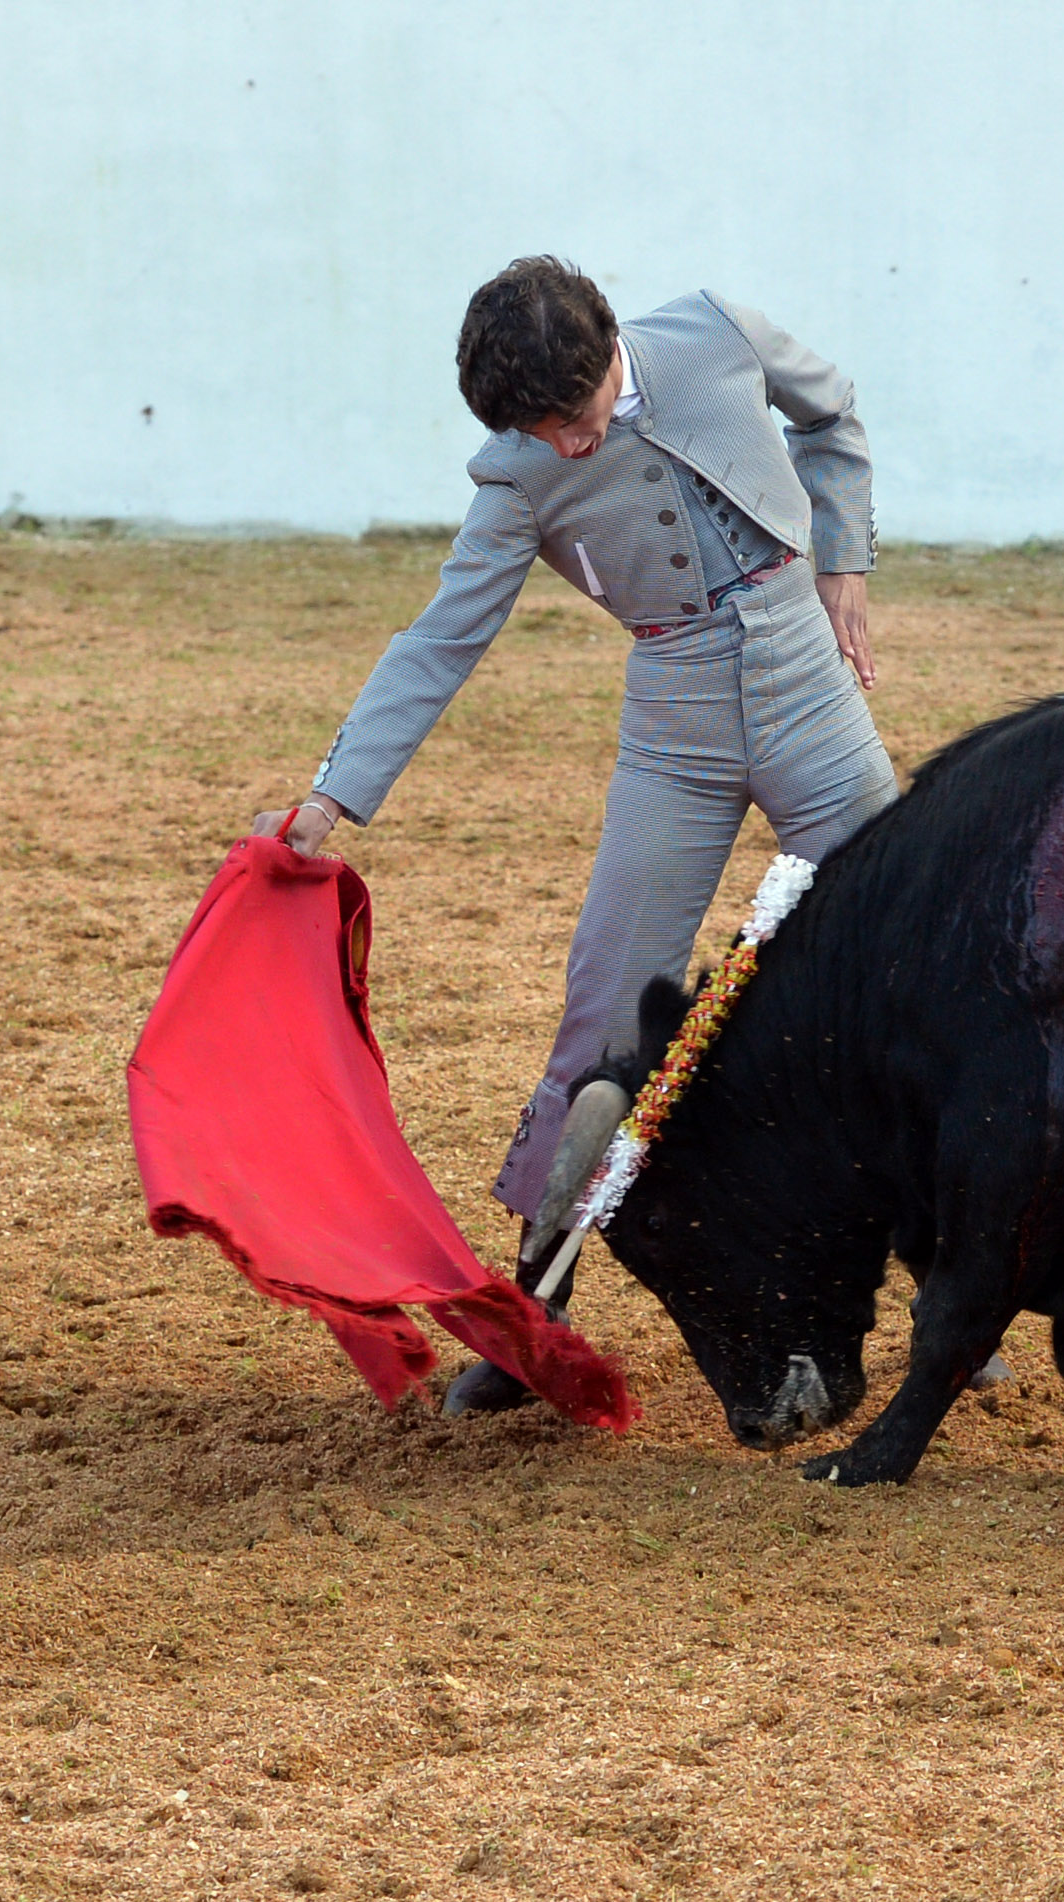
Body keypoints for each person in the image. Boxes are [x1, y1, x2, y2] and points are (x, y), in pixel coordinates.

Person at [255, 256, 899, 1414]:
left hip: (811, 687)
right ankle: (532, 1312)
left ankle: (953, 1281)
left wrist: (844, 558)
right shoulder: (516, 471)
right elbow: (443, 635)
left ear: (613, 349)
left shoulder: (715, 331)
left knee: (907, 971)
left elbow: (833, 409)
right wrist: (335, 796)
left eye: (572, 416)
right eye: (533, 430)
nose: (560, 447)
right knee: (605, 1003)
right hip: (673, 727)